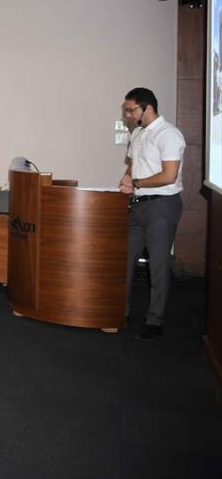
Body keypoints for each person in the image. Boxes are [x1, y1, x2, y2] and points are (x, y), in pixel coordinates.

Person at [119, 87, 186, 340]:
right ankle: (121, 312)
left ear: (147, 108)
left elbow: (169, 176)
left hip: (162, 206)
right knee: (125, 260)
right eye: (126, 110)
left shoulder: (169, 134)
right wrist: (126, 181)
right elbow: (132, 166)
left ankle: (154, 321)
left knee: (158, 265)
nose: (127, 115)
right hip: (137, 206)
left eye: (131, 110)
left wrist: (136, 183)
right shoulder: (137, 133)